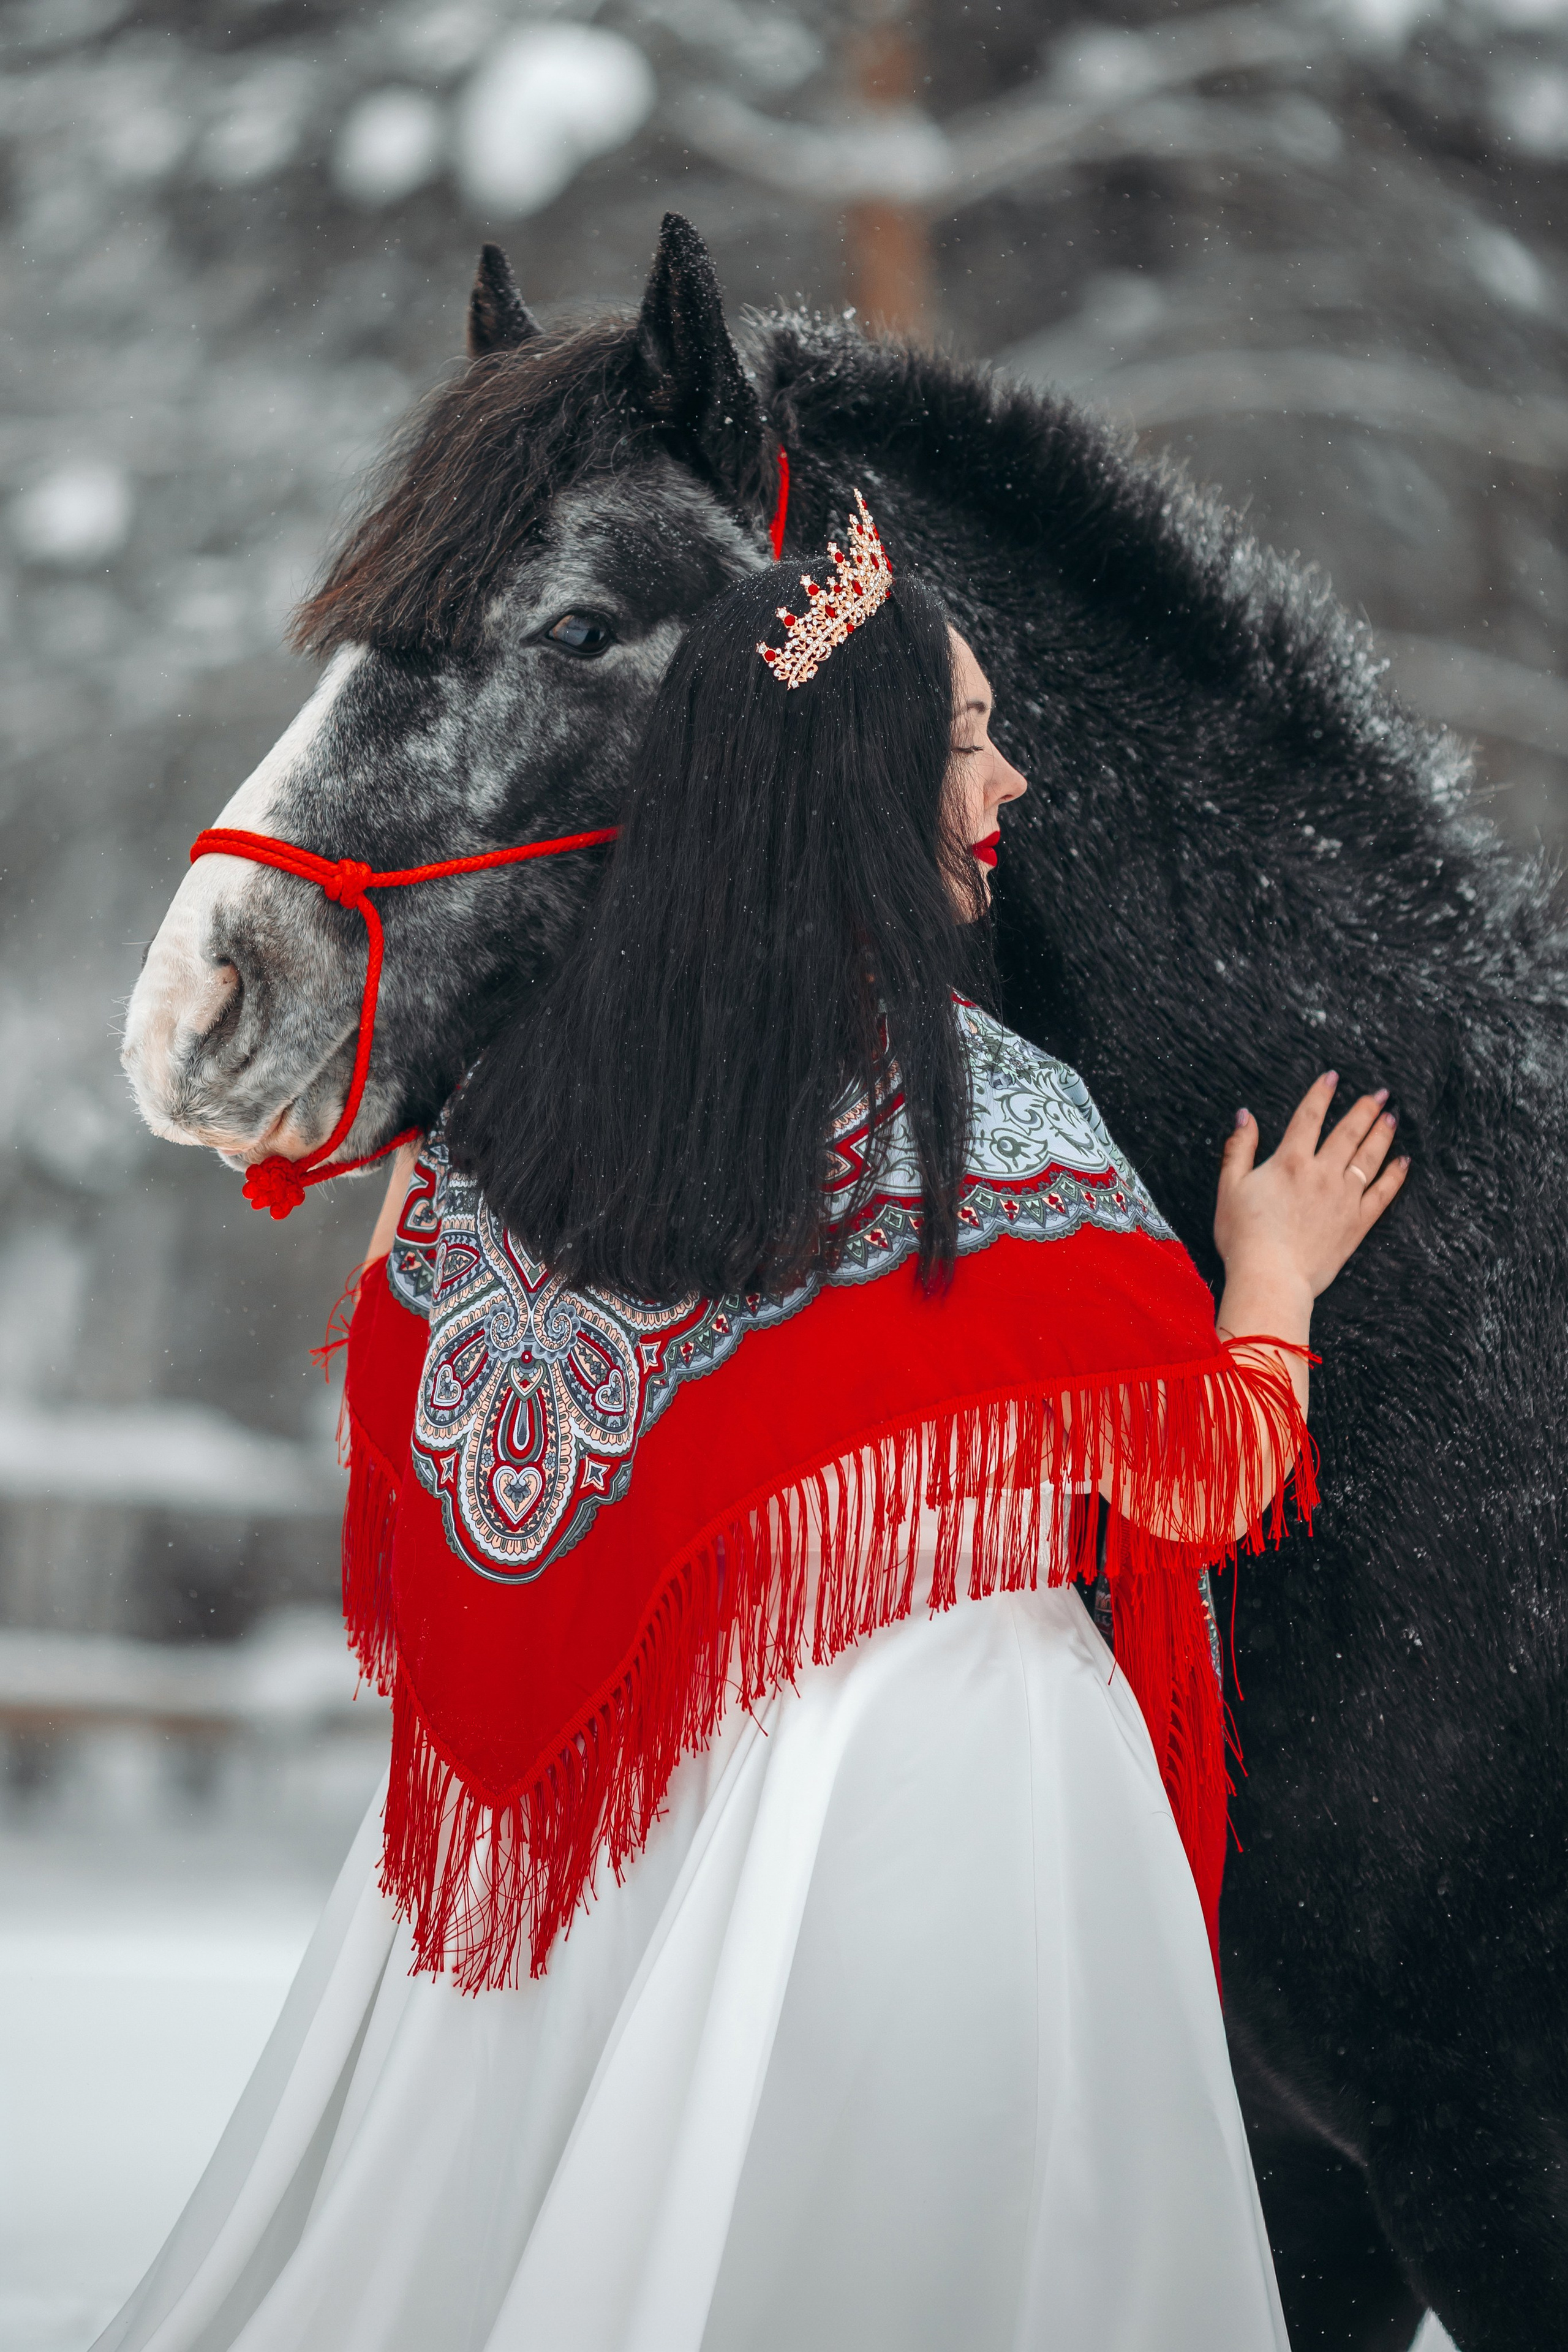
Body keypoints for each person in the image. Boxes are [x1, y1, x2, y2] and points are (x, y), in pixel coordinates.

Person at [97, 495, 1405, 2352]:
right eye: (963, 743)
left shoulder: (509, 1129)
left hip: (635, 1816)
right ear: (853, 792)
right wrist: (1270, 1276)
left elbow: (422, 1413)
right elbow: (1203, 1468)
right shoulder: (984, 1120)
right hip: (950, 1795)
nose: (1005, 780)